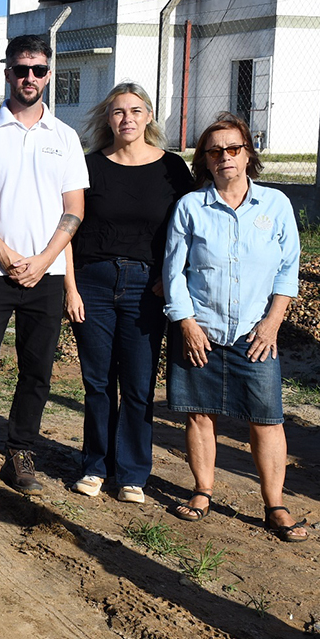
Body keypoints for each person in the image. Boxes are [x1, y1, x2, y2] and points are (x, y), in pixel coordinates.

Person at [0, 34, 88, 497]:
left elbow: (74, 209)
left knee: (37, 370)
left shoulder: (64, 138)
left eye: (38, 70)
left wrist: (44, 260)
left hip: (45, 275)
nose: (29, 78)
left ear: (49, 75)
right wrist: (6, 255)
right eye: (20, 69)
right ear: (7, 71)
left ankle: (20, 453)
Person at [163, 113, 306, 542]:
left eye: (233, 149)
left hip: (255, 336)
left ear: (248, 155)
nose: (224, 157)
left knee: (266, 419)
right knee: (199, 415)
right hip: (201, 330)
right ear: (204, 160)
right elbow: (174, 273)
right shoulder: (190, 207)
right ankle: (203, 492)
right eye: (215, 151)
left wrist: (272, 324)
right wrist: (186, 324)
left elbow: (287, 270)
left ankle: (274, 505)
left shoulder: (276, 205)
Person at [63, 83, 193, 504]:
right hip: (93, 283)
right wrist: (70, 287)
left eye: (136, 111)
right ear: (108, 118)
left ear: (149, 117)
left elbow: (189, 230)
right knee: (98, 383)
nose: (127, 119)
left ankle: (133, 473)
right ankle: (95, 466)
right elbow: (67, 226)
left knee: (138, 385)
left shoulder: (172, 169)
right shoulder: (90, 167)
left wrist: (171, 278)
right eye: (118, 112)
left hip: (147, 288)